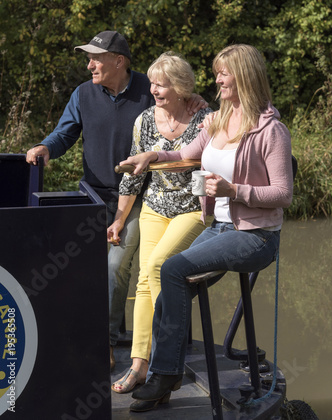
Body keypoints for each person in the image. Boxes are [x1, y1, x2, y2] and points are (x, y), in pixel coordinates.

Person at [116, 44, 294, 412]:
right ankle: (164, 383)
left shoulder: (271, 130)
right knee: (167, 294)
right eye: (217, 73)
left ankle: (165, 375)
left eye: (223, 73)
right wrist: (152, 156)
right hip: (220, 227)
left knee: (173, 268)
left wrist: (234, 191)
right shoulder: (216, 120)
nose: (217, 79)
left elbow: (283, 194)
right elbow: (184, 154)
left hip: (255, 235)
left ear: (244, 75)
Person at [25, 31, 207, 371]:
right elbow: (65, 131)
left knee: (114, 267)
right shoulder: (83, 93)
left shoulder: (149, 89)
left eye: (95, 58)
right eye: (88, 59)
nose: (90, 64)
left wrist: (194, 100)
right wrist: (46, 146)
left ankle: (106, 344)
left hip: (138, 197)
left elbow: (180, 109)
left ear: (118, 61)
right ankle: (72, 339)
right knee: (73, 271)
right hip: (91, 196)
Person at [107, 52, 213, 394]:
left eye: (161, 84)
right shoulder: (145, 121)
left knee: (155, 267)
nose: (153, 89)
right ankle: (140, 365)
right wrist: (120, 219)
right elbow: (134, 177)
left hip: (191, 209)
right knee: (142, 278)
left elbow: (207, 162)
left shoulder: (203, 117)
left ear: (181, 86)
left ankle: (165, 360)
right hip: (155, 206)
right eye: (152, 82)